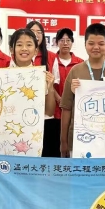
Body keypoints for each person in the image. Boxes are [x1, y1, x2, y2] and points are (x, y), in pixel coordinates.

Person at [60, 24, 105, 157]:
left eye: (101, 43)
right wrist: (63, 141)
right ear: (85, 44)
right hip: (79, 138)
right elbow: (66, 108)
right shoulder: (76, 71)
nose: (96, 47)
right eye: (91, 43)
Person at [27, 21, 60, 157]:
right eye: (32, 31)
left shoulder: (51, 57)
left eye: (39, 32)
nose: (36, 35)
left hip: (46, 113)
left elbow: (55, 81)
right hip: (26, 113)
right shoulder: (18, 57)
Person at [53, 28, 83, 155]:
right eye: (62, 40)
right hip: (54, 111)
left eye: (68, 40)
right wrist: (58, 97)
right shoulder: (51, 61)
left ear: (72, 42)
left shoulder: (80, 63)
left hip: (73, 112)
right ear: (56, 42)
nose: (65, 43)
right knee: (55, 148)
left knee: (71, 148)